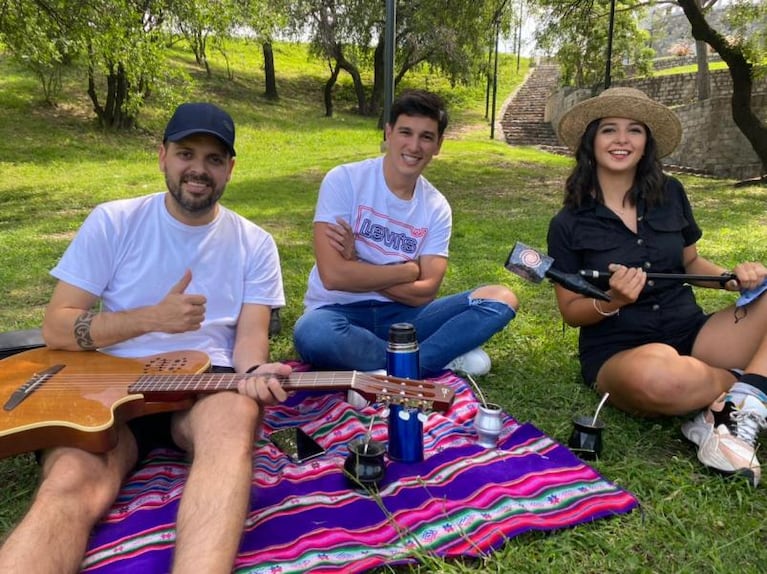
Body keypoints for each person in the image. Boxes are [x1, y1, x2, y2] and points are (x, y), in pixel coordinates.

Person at [0, 102, 291, 574]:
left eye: (214, 159)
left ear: (230, 169)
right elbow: (57, 325)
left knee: (236, 417)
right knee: (70, 481)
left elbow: (250, 341)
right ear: (162, 156)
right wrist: (149, 319)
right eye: (186, 153)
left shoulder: (255, 242)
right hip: (106, 387)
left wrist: (255, 373)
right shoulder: (114, 222)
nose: (198, 169)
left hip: (204, 385)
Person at [547, 86, 767, 486]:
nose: (621, 140)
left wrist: (732, 279)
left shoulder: (671, 194)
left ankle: (729, 405)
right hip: (621, 350)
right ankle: (747, 389)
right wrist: (614, 300)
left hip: (691, 331)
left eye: (634, 130)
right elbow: (571, 310)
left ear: (646, 142)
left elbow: (690, 262)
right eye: (609, 129)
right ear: (591, 140)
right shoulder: (568, 223)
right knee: (661, 380)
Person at [293, 89, 519, 378]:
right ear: (388, 133)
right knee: (312, 333)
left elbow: (426, 292)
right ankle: (433, 358)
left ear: (438, 145)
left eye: (426, 137)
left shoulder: (436, 206)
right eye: (405, 132)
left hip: (406, 318)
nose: (414, 146)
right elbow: (334, 276)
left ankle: (385, 370)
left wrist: (357, 263)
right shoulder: (345, 180)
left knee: (500, 298)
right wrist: (406, 271)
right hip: (338, 313)